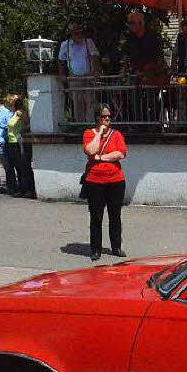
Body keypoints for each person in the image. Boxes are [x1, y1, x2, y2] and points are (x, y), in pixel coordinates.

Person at [82, 105, 128, 261]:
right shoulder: (89, 133)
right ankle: (96, 249)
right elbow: (90, 151)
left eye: (109, 116)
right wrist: (100, 133)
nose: (107, 119)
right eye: (104, 116)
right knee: (96, 216)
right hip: (94, 181)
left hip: (116, 180)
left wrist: (101, 158)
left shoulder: (116, 135)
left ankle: (116, 247)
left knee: (115, 215)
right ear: (97, 118)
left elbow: (120, 153)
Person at [123, 11, 168, 124]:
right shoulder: (131, 39)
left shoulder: (152, 38)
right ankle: (139, 126)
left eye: (132, 23)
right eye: (129, 23)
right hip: (136, 77)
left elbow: (158, 58)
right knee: (136, 102)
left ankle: (154, 126)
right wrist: (127, 68)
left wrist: (146, 70)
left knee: (152, 102)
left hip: (151, 76)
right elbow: (127, 56)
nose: (130, 25)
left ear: (140, 23)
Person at [58, 22, 100, 124]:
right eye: (76, 33)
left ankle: (90, 124)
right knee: (77, 102)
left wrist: (95, 71)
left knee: (90, 101)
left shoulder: (88, 42)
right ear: (71, 34)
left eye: (80, 32)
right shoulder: (65, 45)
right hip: (74, 78)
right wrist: (62, 74)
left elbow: (95, 56)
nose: (79, 35)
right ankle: (80, 124)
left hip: (88, 76)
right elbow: (61, 61)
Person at [6, 95, 36, 199]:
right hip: (12, 141)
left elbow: (27, 124)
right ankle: (22, 188)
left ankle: (29, 189)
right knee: (18, 167)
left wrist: (23, 130)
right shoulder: (12, 113)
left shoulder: (20, 113)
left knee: (24, 166)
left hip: (19, 142)